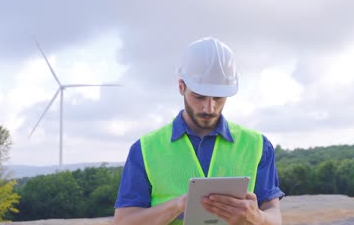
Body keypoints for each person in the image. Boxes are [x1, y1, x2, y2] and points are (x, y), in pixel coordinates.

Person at [114, 37, 284, 225]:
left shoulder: (258, 146)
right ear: (181, 87)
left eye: (218, 98)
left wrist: (257, 218)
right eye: (199, 96)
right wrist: (178, 205)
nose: (209, 108)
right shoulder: (144, 149)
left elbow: (274, 216)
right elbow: (124, 221)